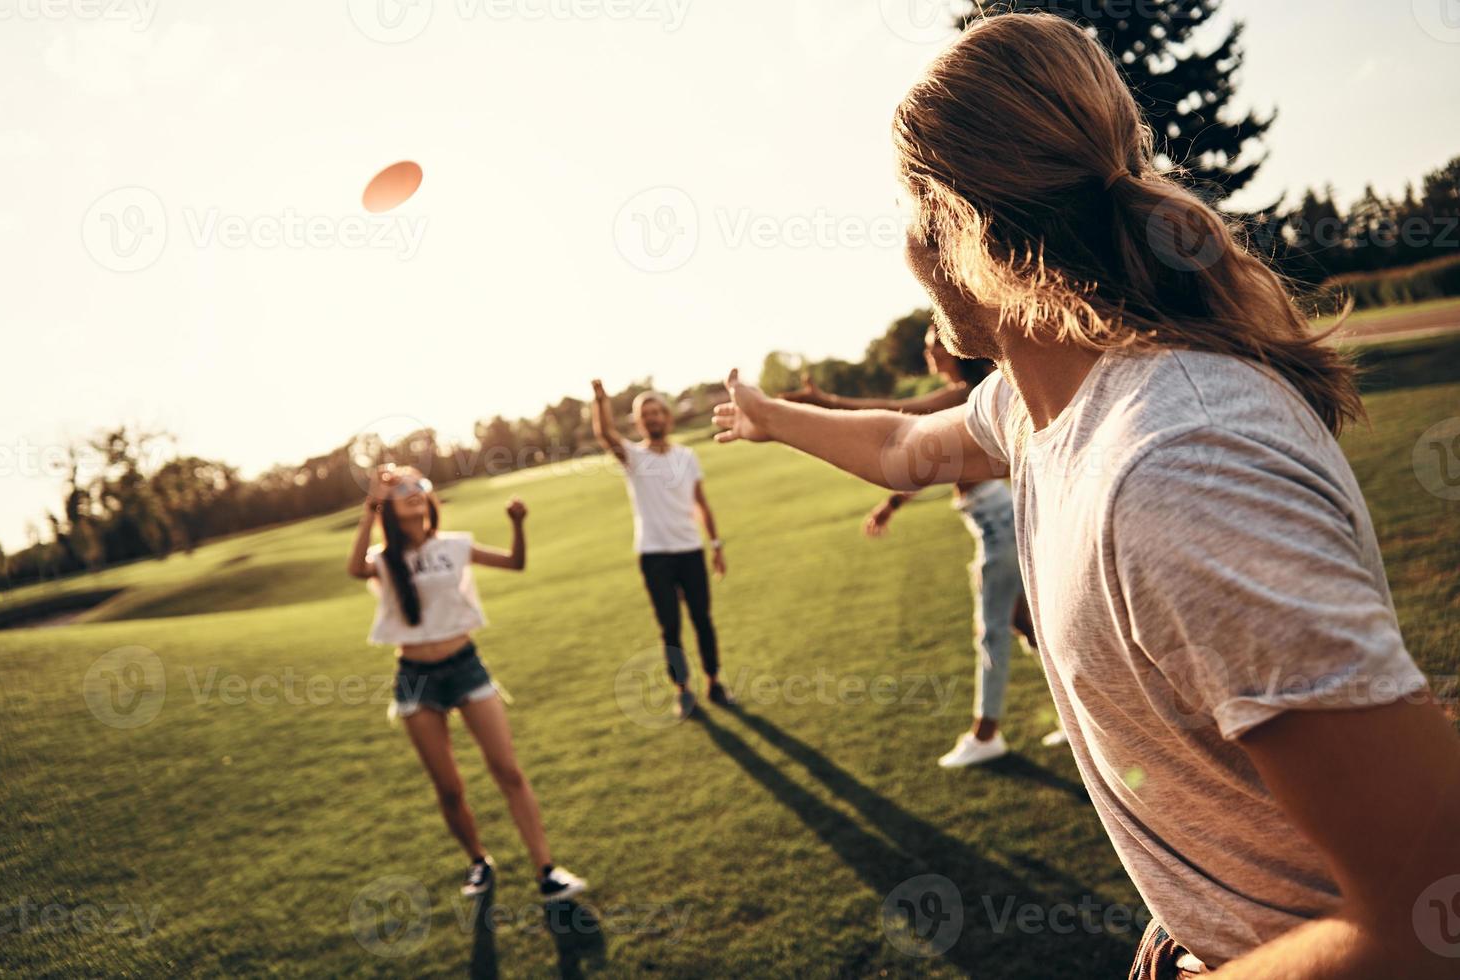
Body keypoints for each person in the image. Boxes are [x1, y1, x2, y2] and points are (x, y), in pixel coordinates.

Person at [711, 11, 1460, 977]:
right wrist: (772, 416)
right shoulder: (1044, 408)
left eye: (908, 209)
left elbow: (1425, 919)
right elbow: (905, 446)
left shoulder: (1178, 468)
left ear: (958, 226)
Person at [784, 327, 1066, 766]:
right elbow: (926, 462)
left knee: (991, 630)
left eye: (933, 343)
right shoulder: (966, 393)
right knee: (1024, 624)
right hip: (995, 518)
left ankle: (986, 734)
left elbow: (898, 422)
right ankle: (1073, 714)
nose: (929, 351)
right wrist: (892, 503)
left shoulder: (960, 396)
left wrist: (826, 403)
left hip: (998, 524)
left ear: (954, 348)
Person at [347, 466, 587, 902]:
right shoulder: (383, 559)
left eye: (418, 484)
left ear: (430, 496)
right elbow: (353, 568)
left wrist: (517, 524)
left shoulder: (455, 545)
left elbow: (515, 563)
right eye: (399, 489)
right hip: (416, 680)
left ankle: (547, 869)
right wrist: (371, 507)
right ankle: (478, 860)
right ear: (388, 504)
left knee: (508, 771)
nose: (412, 491)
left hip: (466, 666)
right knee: (449, 787)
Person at [591, 380, 733, 719]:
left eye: (657, 412)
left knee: (703, 620)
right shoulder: (634, 458)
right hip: (654, 554)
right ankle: (683, 691)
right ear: (639, 423)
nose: (653, 418)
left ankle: (714, 682)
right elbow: (606, 435)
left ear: (667, 417)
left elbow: (701, 503)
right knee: (670, 625)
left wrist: (714, 544)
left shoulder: (687, 456)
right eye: (646, 414)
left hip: (690, 549)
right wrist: (600, 401)